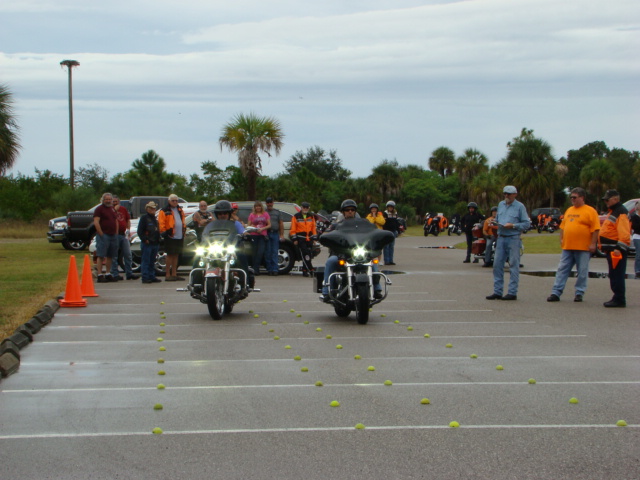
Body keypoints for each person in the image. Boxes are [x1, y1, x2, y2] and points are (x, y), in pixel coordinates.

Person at [321, 199, 383, 301]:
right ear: (343, 212)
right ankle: (326, 291)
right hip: (341, 254)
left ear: (355, 211)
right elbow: (325, 234)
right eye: (347, 210)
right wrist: (328, 238)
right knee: (330, 261)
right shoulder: (337, 225)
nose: (350, 211)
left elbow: (374, 232)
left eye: (352, 209)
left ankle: (377, 289)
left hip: (359, 253)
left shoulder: (364, 224)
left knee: (373, 260)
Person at [546, 188, 600, 303]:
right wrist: (561, 239)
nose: (572, 200)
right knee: (562, 269)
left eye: (574, 197)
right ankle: (556, 292)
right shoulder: (569, 210)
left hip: (583, 247)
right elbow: (563, 226)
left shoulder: (590, 211)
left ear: (582, 198)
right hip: (568, 246)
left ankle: (579, 292)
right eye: (571, 197)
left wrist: (593, 244)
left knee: (582, 271)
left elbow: (595, 229)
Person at [486, 186, 530, 301]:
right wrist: (494, 222)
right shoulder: (501, 205)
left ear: (515, 194)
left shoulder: (520, 207)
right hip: (501, 237)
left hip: (513, 238)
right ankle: (497, 291)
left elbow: (526, 224)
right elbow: (499, 219)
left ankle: (512, 292)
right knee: (497, 264)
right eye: (505, 193)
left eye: (509, 194)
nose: (507, 196)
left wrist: (513, 225)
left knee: (514, 265)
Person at [599, 189, 631, 308]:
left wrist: (619, 247)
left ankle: (619, 299)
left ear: (615, 199)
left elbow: (624, 233)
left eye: (608, 199)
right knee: (614, 274)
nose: (606, 202)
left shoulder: (621, 212)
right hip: (611, 249)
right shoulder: (614, 211)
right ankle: (617, 297)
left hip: (616, 250)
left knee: (617, 274)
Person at [109, 195, 139, 280]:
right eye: (113, 201)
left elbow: (127, 220)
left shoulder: (123, 209)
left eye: (116, 201)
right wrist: (115, 210)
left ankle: (129, 273)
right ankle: (115, 273)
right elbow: (110, 219)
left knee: (128, 254)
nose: (115, 203)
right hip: (114, 234)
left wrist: (128, 230)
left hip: (123, 234)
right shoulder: (110, 210)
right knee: (114, 255)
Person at [158, 194, 186, 281]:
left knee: (176, 254)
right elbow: (161, 223)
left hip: (179, 235)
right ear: (169, 201)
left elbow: (183, 220)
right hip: (170, 235)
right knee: (169, 255)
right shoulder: (164, 210)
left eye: (176, 200)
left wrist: (184, 229)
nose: (175, 202)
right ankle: (167, 274)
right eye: (173, 200)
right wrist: (164, 232)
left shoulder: (179, 209)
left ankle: (174, 273)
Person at [93, 192, 119, 283]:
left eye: (109, 199)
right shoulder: (99, 209)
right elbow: (96, 222)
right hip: (104, 235)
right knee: (100, 255)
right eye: (106, 199)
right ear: (103, 200)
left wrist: (116, 232)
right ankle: (100, 275)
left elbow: (115, 220)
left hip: (113, 235)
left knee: (110, 255)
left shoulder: (112, 209)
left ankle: (108, 273)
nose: (108, 201)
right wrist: (101, 234)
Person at [290, 201, 318, 277]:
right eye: (304, 207)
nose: (305, 209)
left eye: (307, 207)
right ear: (301, 208)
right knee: (305, 253)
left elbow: (313, 228)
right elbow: (293, 229)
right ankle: (311, 269)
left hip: (310, 238)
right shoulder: (296, 216)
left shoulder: (311, 216)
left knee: (309, 254)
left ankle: (305, 270)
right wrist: (294, 239)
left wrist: (315, 238)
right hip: (301, 238)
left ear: (308, 208)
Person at [137, 201, 162, 284]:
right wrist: (144, 239)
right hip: (147, 243)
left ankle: (152, 276)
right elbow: (140, 231)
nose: (153, 209)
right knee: (146, 261)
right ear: (147, 209)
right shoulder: (144, 218)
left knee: (152, 261)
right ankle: (145, 277)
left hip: (155, 242)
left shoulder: (154, 218)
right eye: (151, 208)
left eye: (154, 208)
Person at [247, 201, 271, 276]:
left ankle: (256, 267)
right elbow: (248, 225)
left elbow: (269, 225)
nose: (258, 208)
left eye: (259, 206)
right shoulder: (252, 215)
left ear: (261, 207)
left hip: (262, 235)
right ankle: (255, 269)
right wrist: (253, 227)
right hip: (254, 235)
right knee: (254, 252)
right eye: (256, 206)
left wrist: (263, 228)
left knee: (260, 252)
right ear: (254, 207)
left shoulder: (265, 214)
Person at [265, 197, 285, 276]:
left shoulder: (277, 212)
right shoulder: (264, 212)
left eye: (271, 202)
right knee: (268, 252)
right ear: (266, 203)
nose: (269, 204)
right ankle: (269, 269)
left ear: (273, 203)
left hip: (275, 234)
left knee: (274, 252)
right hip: (266, 233)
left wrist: (282, 234)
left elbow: (280, 223)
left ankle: (275, 269)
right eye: (268, 202)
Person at [382, 200, 400, 265]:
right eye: (389, 207)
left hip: (393, 231)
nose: (390, 208)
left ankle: (391, 260)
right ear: (387, 207)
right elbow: (383, 223)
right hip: (386, 231)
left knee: (391, 246)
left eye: (391, 207)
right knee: (386, 246)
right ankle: (386, 261)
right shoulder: (385, 213)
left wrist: (398, 230)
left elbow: (396, 222)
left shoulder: (395, 213)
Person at [631, 201, 640, 279]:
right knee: (638, 254)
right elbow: (635, 227)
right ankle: (637, 270)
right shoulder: (634, 217)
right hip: (637, 237)